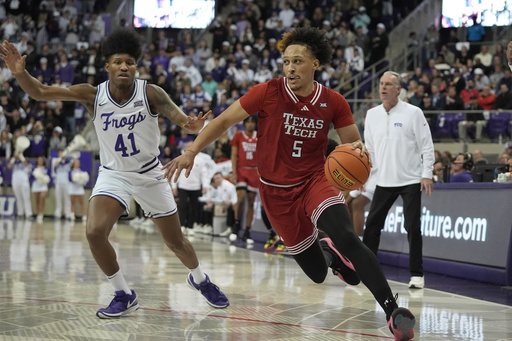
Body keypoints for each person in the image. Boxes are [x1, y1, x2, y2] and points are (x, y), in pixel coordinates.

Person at [163, 27, 416, 341]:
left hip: (315, 181)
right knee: (317, 273)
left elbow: (352, 145)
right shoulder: (268, 91)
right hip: (275, 193)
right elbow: (224, 121)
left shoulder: (334, 101)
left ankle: (394, 312)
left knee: (348, 235)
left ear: (315, 64)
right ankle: (329, 254)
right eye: (286, 62)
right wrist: (190, 151)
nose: (291, 67)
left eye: (298, 61)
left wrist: (359, 152)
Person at [0, 28, 229, 318]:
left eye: (130, 62)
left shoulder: (151, 92)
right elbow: (40, 92)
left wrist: (191, 125)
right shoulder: (92, 94)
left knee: (176, 242)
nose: (124, 66)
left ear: (136, 67)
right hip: (114, 174)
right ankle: (123, 292)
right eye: (118, 61)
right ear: (107, 65)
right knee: (95, 232)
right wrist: (20, 73)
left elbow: (181, 119)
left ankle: (200, 279)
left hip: (149, 174)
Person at [363, 71, 435, 291]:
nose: (383, 87)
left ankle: (416, 274)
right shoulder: (372, 114)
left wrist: (427, 173)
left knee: (413, 226)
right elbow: (370, 151)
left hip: (410, 179)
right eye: (381, 84)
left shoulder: (413, 113)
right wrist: (365, 177)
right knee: (372, 227)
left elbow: (426, 145)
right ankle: (365, 271)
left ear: (398, 89)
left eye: (388, 84)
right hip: (383, 180)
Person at [228, 116, 259, 244]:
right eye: (248, 122)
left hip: (254, 171)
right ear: (245, 124)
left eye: (252, 122)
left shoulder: (260, 136)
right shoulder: (238, 136)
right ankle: (236, 225)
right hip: (241, 169)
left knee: (251, 202)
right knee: (240, 198)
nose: (250, 124)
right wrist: (234, 173)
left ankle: (247, 230)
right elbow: (234, 155)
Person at [52, 150, 73, 220]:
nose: (61, 155)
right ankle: (58, 213)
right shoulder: (56, 161)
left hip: (66, 182)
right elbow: (55, 165)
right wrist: (60, 158)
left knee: (67, 198)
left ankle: (68, 214)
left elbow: (72, 163)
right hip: (58, 182)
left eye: (62, 153)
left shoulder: (68, 161)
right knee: (58, 198)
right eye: (60, 154)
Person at [31, 155, 50, 223]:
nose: (40, 161)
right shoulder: (34, 168)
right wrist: (36, 176)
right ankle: (38, 213)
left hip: (43, 185)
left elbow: (48, 177)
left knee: (42, 197)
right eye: (39, 160)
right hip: (36, 184)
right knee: (37, 200)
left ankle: (42, 212)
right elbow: (31, 177)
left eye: (41, 160)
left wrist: (43, 178)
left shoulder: (46, 169)